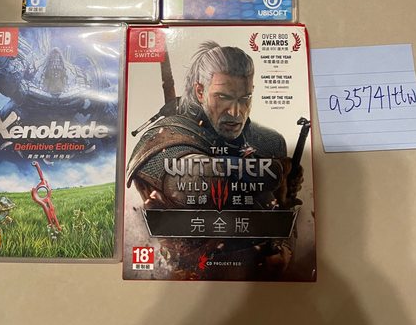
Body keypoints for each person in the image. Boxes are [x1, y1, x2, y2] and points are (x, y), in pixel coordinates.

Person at [127, 41, 303, 279]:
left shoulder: (268, 142)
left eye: (245, 98)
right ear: (200, 92)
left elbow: (285, 212)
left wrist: (285, 245)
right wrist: (274, 172)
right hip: (186, 276)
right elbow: (191, 180)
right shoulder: (165, 137)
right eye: (223, 97)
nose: (235, 112)